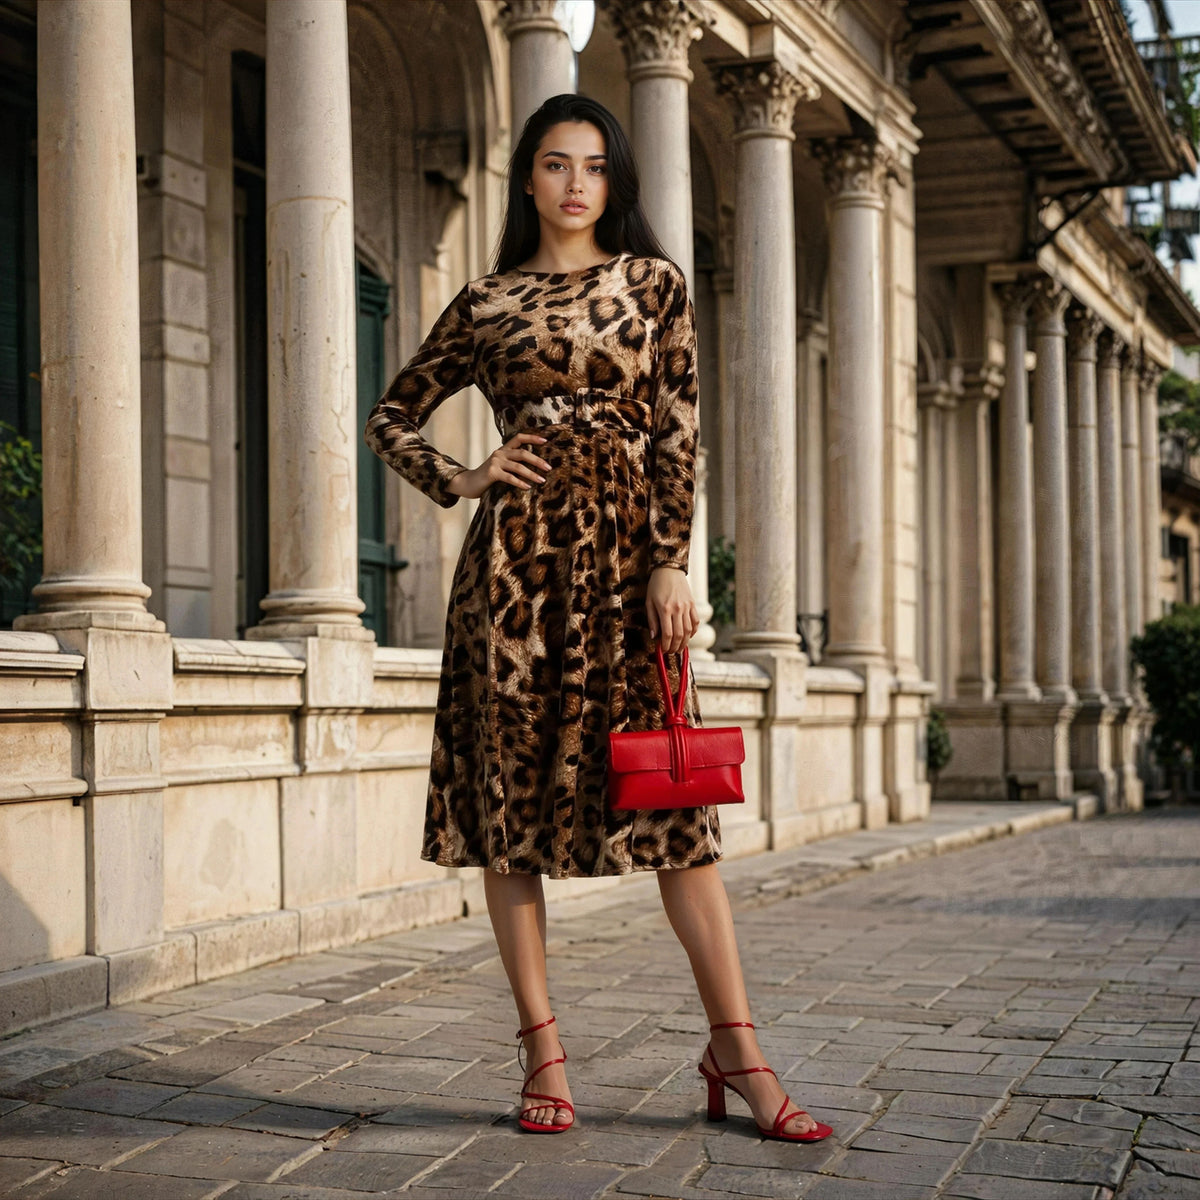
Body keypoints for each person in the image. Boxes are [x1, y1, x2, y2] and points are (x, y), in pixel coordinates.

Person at [364, 93, 831, 1145]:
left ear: (614, 182)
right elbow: (391, 416)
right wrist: (469, 474)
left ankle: (739, 1050)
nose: (576, 182)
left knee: (678, 820)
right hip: (515, 582)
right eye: (555, 163)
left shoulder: (653, 284)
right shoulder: (485, 303)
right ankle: (543, 1052)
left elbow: (680, 430)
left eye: (595, 166)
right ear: (527, 178)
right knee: (508, 820)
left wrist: (672, 559)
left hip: (627, 573)